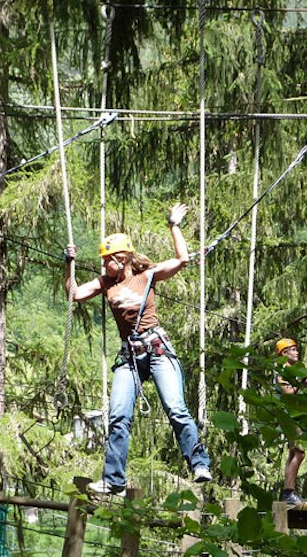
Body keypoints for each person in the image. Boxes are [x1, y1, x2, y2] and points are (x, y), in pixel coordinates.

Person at [64, 203, 212, 496]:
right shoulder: (106, 283)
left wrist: (174, 226)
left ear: (122, 259)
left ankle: (199, 463)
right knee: (118, 415)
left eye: (107, 259)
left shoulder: (146, 276)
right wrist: (67, 265)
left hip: (157, 349)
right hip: (129, 356)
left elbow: (182, 260)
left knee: (176, 409)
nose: (104, 264)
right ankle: (113, 480)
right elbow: (75, 294)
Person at [275, 337, 307, 504]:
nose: (297, 352)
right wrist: (299, 380)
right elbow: (289, 392)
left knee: (294, 452)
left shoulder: (294, 369)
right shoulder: (282, 371)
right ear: (284, 353)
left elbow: (305, 383)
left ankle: (287, 492)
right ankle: (288, 492)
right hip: (287, 415)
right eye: (293, 349)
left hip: (294, 415)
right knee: (299, 452)